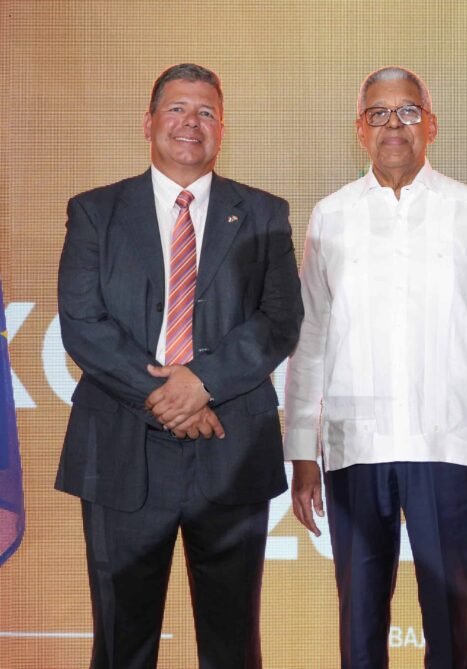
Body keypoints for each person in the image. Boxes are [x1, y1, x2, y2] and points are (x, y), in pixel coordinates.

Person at [55, 63, 303, 669]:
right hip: (121, 451)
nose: (191, 123)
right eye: (177, 109)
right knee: (121, 642)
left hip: (231, 450)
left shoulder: (265, 214)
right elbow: (82, 323)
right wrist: (166, 395)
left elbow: (279, 321)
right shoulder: (96, 211)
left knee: (232, 642)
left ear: (223, 130)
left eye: (207, 112)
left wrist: (204, 383)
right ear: (148, 122)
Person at [285, 66, 467, 669]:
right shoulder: (331, 215)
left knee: (451, 618)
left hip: (449, 443)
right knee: (360, 619)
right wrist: (301, 450)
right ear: (360, 130)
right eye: (379, 114)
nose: (395, 125)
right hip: (352, 445)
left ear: (432, 125)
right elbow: (309, 338)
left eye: (409, 111)